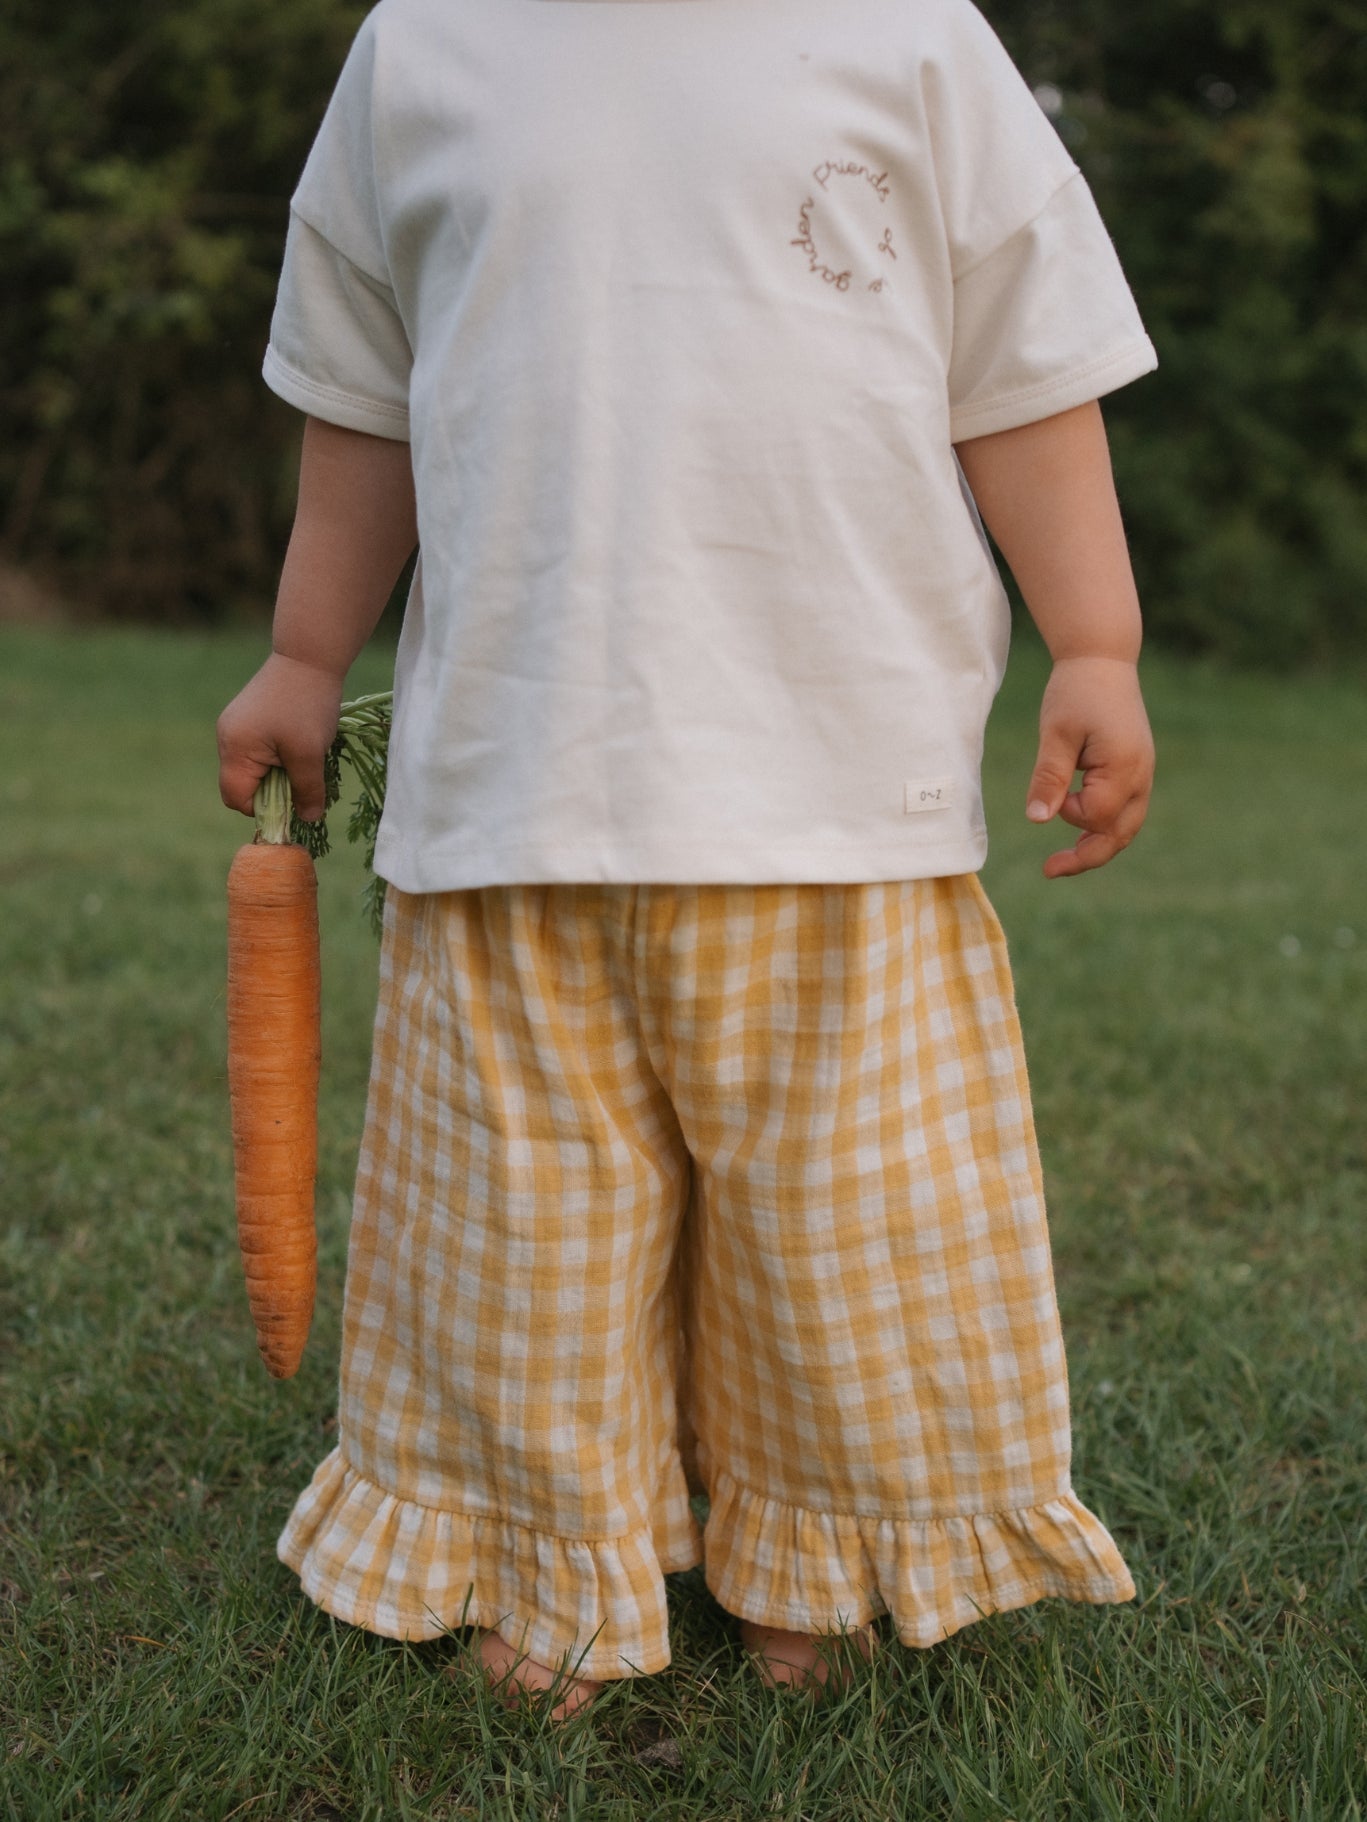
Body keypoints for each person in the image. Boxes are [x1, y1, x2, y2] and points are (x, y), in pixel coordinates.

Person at [217, 0, 1158, 1722]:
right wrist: (302, 653)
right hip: (515, 783)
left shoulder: (913, 41)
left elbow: (1026, 373)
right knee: (524, 1223)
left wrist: (1092, 639)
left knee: (847, 1224)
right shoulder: (423, 50)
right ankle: (538, 1545)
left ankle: (830, 1540)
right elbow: (363, 403)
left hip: (834, 780)